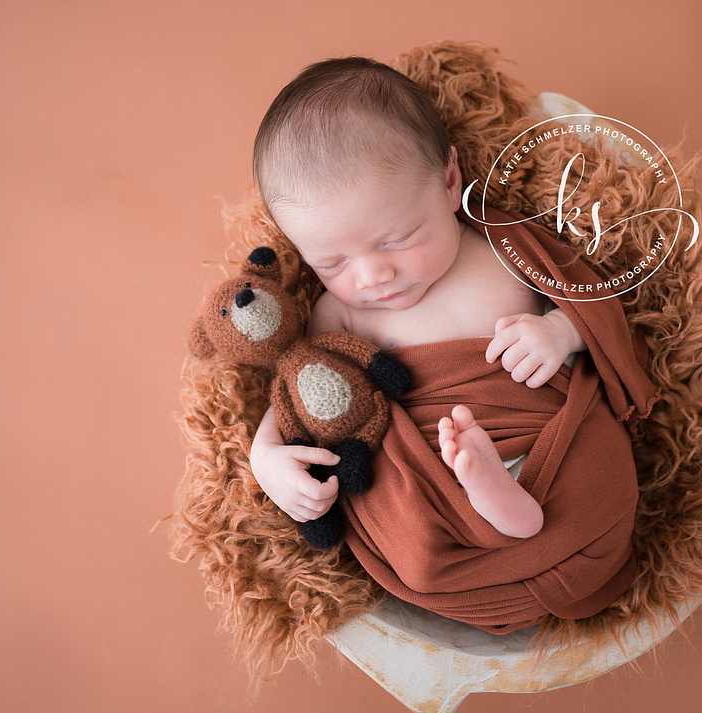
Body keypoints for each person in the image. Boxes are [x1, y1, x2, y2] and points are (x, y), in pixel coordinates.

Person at [248, 56, 587, 540]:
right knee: (396, 506)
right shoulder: (339, 313)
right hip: (430, 489)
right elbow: (300, 394)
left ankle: (505, 499)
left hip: (548, 447)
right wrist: (266, 457)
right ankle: (488, 498)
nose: (371, 276)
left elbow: (595, 306)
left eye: (395, 240)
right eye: (332, 264)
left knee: (590, 466)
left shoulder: (503, 247)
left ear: (449, 183)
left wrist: (560, 331)